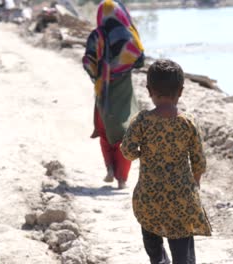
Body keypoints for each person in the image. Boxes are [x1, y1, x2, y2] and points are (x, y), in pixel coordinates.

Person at [121, 59, 212, 264]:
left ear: (149, 90)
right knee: (182, 247)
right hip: (181, 197)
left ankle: (159, 260)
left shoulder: (142, 121)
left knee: (152, 238)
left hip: (149, 195)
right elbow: (199, 160)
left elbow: (127, 151)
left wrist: (142, 153)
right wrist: (195, 183)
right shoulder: (187, 122)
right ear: (180, 91)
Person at [82, 0, 144, 189]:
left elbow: (88, 62)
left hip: (103, 90)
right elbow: (140, 60)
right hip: (124, 89)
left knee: (104, 131)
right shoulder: (128, 34)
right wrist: (120, 67)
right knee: (124, 133)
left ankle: (109, 168)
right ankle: (122, 179)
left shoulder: (96, 36)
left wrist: (100, 75)